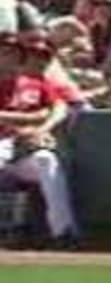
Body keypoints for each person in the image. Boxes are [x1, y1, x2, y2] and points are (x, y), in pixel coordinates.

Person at [0, 33, 83, 249]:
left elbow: (60, 107)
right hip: (3, 144)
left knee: (47, 161)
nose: (6, 57)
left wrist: (39, 129)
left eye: (11, 53)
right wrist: (27, 121)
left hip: (24, 150)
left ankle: (63, 232)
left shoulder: (34, 84)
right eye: (3, 52)